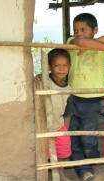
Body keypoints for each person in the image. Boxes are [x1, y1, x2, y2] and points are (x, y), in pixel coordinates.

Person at [67, 13, 104, 181]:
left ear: (95, 30)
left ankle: (92, 155)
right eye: (76, 30)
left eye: (83, 29)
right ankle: (83, 169)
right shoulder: (72, 41)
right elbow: (78, 42)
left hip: (92, 101)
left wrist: (94, 45)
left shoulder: (98, 42)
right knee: (72, 135)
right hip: (71, 98)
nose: (78, 33)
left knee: (87, 137)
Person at [34, 48, 72, 180]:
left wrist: (65, 129)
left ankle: (61, 174)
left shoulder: (68, 89)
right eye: (57, 66)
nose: (61, 69)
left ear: (69, 67)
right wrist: (38, 77)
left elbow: (68, 112)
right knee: (44, 152)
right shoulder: (45, 82)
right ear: (50, 67)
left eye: (65, 65)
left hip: (58, 125)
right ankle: (45, 175)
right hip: (43, 125)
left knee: (62, 151)